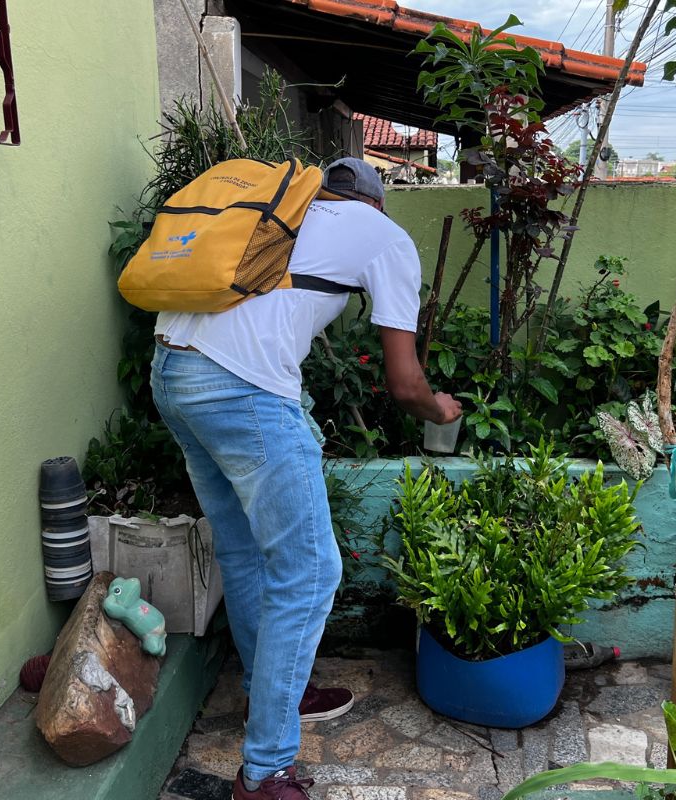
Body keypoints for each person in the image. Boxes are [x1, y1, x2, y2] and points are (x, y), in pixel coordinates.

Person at [149, 157, 462, 800]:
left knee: (242, 550)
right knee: (312, 570)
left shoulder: (282, 212)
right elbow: (405, 384)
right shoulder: (384, 236)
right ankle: (264, 773)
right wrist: (441, 409)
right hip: (242, 392)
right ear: (375, 203)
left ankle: (275, 690)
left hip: (173, 373)